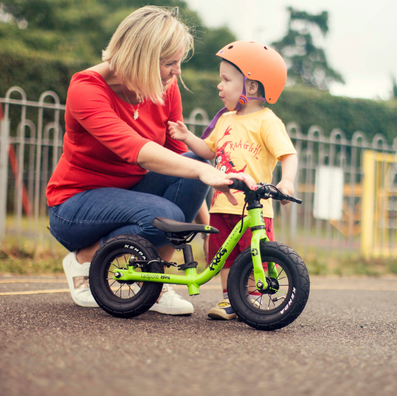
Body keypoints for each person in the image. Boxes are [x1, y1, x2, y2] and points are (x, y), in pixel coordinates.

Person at [46, 7, 256, 313]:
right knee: (164, 212)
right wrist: (201, 171)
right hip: (75, 206)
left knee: (196, 159)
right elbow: (137, 149)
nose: (177, 72)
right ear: (141, 58)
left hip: (133, 196)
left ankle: (156, 280)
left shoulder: (164, 89)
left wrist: (209, 229)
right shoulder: (86, 88)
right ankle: (82, 261)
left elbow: (179, 162)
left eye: (178, 62)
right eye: (170, 63)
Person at [168, 40, 298, 320]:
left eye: (226, 79)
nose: (219, 85)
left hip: (253, 209)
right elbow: (207, 150)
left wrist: (286, 183)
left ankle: (248, 298)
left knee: (254, 254)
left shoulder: (267, 122)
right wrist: (187, 136)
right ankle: (230, 299)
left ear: (251, 87)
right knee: (221, 256)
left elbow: (288, 154)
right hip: (221, 206)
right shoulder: (225, 119)